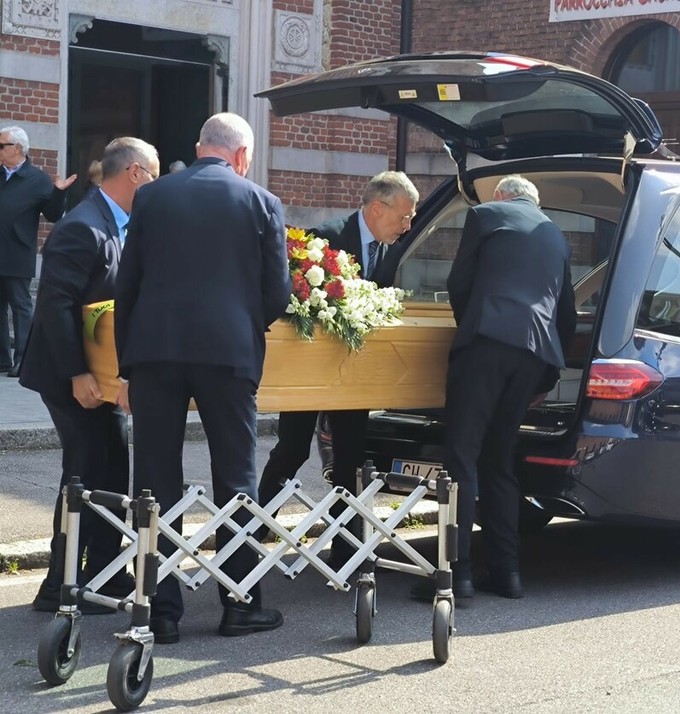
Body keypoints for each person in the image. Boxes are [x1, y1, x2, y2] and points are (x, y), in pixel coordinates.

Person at [114, 113, 290, 644]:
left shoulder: (151, 197)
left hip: (155, 352)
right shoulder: (262, 202)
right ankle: (240, 602)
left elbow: (128, 284)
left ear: (198, 147)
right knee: (236, 478)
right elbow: (278, 293)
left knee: (153, 478)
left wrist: (126, 364)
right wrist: (242, 325)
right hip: (228, 354)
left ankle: (158, 609)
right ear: (242, 155)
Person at [412, 175, 575, 602]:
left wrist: (473, 326)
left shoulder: (485, 215)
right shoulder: (555, 235)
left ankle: (456, 572)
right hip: (534, 355)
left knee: (461, 456)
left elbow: (459, 283)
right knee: (499, 460)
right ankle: (507, 572)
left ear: (501, 195)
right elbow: (566, 314)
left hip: (487, 343)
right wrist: (548, 377)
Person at [20, 137, 159, 613]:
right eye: (154, 175)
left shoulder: (120, 223)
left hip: (101, 376)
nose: (156, 185)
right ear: (135, 173)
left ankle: (102, 573)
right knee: (84, 472)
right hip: (70, 376)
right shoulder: (82, 226)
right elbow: (54, 306)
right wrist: (78, 374)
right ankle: (61, 583)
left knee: (111, 470)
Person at [257, 170, 419, 565]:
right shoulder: (325, 239)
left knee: (350, 458)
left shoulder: (396, 249)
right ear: (377, 208)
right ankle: (253, 530)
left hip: (355, 375)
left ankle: (346, 548)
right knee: (292, 449)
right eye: (404, 216)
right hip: (311, 369)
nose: (408, 226)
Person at [0, 126, 77, 377]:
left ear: (17, 148)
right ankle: (2, 358)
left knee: (20, 305)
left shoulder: (37, 179)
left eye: (2, 146)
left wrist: (59, 193)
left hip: (17, 251)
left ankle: (22, 359)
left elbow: (53, 215)